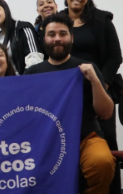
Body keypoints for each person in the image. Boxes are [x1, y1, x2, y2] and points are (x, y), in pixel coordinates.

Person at [25, 13, 115, 194]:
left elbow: (106, 113)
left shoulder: (87, 67)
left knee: (102, 162)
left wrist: (95, 81)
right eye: (51, 34)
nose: (57, 38)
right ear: (44, 39)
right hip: (46, 141)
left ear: (71, 38)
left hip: (86, 137)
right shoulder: (32, 73)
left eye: (62, 33)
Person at [60, 0, 122, 193]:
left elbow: (115, 57)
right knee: (65, 146)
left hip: (98, 90)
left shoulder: (101, 20)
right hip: (67, 96)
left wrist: (101, 85)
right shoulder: (58, 21)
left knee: (105, 147)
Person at [0, 0, 43, 75]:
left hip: (25, 81)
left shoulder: (22, 28)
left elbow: (35, 59)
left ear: (5, 10)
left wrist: (24, 81)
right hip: (5, 83)